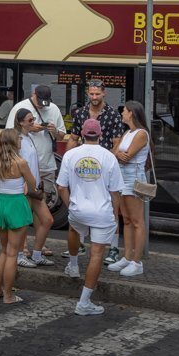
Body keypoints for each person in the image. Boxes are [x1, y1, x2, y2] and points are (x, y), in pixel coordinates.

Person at [58, 117, 123, 316]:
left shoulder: (70, 155)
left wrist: (71, 206)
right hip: (102, 212)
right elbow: (116, 191)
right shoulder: (108, 157)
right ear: (101, 134)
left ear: (82, 134)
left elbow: (61, 187)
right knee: (96, 254)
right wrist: (115, 212)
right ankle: (84, 302)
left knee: (74, 229)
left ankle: (74, 265)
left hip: (78, 209)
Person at [6, 85, 65, 263]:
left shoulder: (53, 109)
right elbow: (9, 135)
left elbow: (62, 136)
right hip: (25, 169)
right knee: (25, 210)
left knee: (42, 211)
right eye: (40, 102)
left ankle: (39, 248)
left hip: (46, 165)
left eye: (45, 103)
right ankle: (21, 248)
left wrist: (55, 132)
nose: (42, 106)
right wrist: (31, 129)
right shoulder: (20, 108)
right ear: (33, 96)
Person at [0, 128, 37, 303]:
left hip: (1, 203)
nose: (21, 141)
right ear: (14, 142)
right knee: (12, 253)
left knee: (3, 250)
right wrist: (23, 184)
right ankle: (8, 295)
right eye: (19, 139)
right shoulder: (21, 162)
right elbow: (33, 183)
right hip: (16, 204)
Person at [11, 107, 56, 269]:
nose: (33, 123)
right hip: (24, 188)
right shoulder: (17, 139)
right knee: (23, 222)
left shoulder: (28, 137)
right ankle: (20, 254)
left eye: (33, 120)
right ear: (21, 122)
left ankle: (36, 254)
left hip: (35, 187)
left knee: (47, 220)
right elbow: (14, 162)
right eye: (30, 120)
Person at [109, 101, 150, 278]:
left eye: (124, 111)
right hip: (123, 179)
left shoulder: (141, 134)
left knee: (137, 220)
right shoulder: (128, 132)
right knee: (126, 219)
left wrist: (118, 154)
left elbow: (126, 157)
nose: (122, 114)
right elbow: (116, 154)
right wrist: (119, 154)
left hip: (133, 179)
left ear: (131, 113)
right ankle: (127, 256)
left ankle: (136, 261)